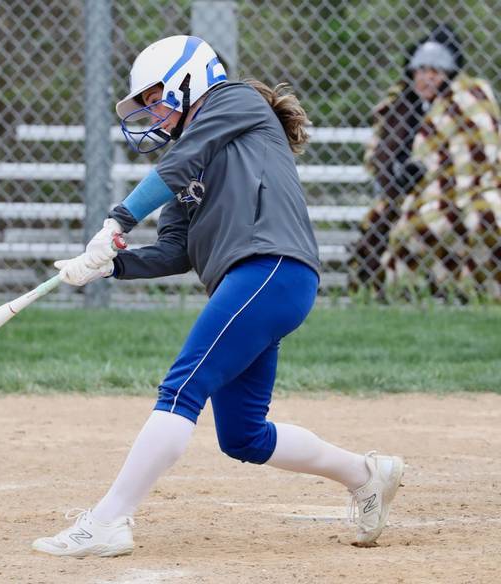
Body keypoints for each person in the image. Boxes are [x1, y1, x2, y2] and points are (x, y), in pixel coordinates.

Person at [32, 35, 405, 558]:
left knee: (181, 389)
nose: (152, 113)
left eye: (157, 97)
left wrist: (117, 220)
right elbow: (175, 251)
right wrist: (110, 265)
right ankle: (366, 474)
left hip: (270, 268)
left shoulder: (235, 100)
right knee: (243, 436)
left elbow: (179, 162)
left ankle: (108, 521)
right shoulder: (189, 164)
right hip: (257, 284)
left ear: (189, 81)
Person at [354, 24, 501, 299]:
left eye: (435, 71)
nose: (427, 78)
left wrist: (433, 170)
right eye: (421, 70)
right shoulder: (401, 107)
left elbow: (479, 147)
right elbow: (381, 155)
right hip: (408, 192)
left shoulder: (466, 99)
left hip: (464, 185)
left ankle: (473, 293)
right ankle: (404, 293)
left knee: (481, 216)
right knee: (388, 224)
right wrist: (400, 171)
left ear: (449, 74)